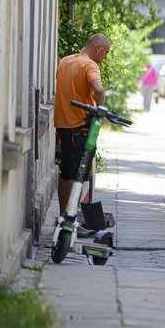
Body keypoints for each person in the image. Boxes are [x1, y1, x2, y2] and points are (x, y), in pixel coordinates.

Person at [54, 33, 111, 213]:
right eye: (106, 52)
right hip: (79, 127)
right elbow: (99, 89)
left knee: (66, 174)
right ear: (98, 47)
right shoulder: (89, 65)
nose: (105, 57)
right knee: (77, 175)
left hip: (62, 125)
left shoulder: (65, 61)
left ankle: (64, 215)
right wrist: (99, 110)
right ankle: (70, 218)